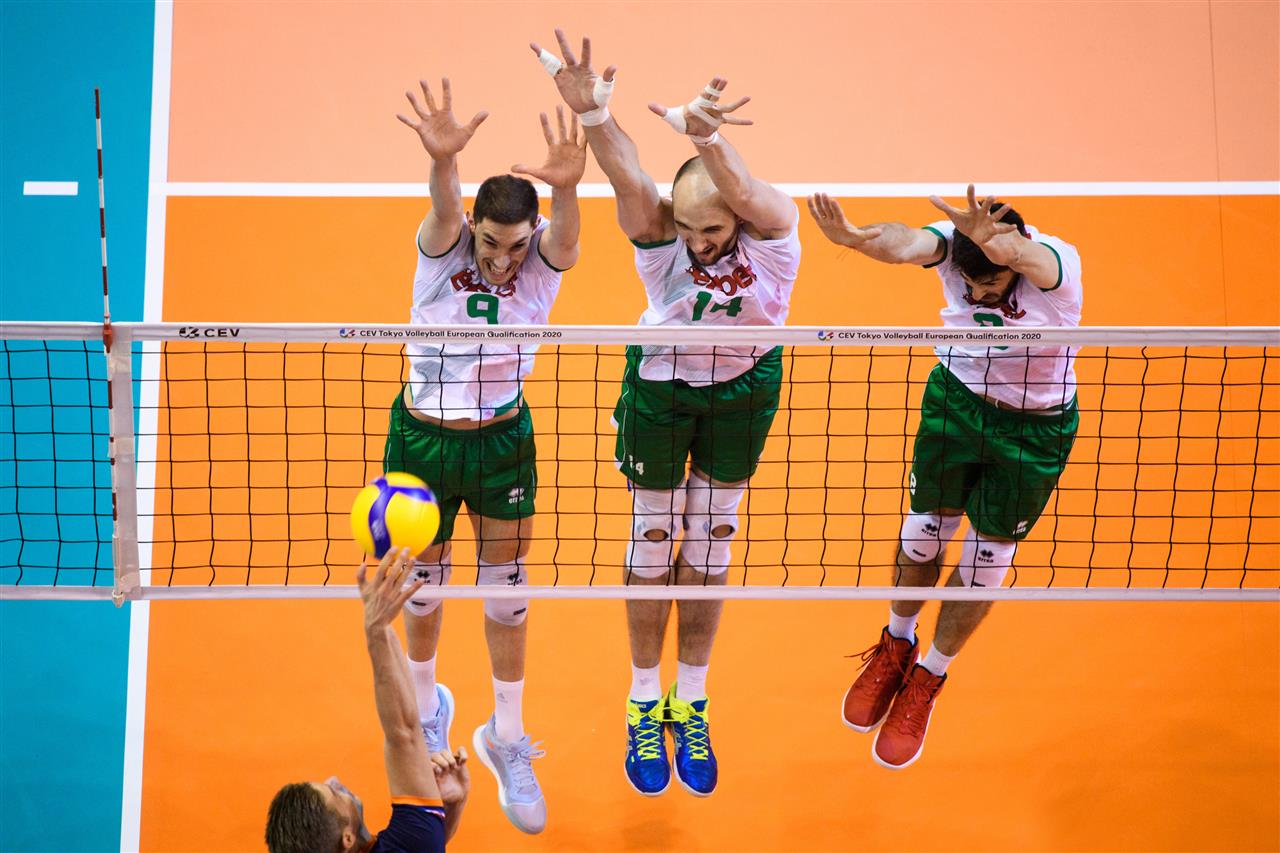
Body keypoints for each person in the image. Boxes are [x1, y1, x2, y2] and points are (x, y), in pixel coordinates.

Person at [531, 30, 801, 797]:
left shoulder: (773, 234)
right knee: (653, 537)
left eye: (711, 231)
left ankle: (694, 699)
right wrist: (593, 116)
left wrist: (706, 135)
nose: (699, 245)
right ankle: (644, 701)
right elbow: (627, 174)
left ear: (736, 220)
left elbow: (747, 190)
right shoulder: (662, 239)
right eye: (687, 230)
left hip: (745, 387)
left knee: (712, 537)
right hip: (661, 388)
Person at [808, 185, 1083, 769]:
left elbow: (1032, 260)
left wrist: (1005, 250)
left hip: (1034, 430)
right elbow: (907, 242)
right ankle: (896, 643)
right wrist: (857, 239)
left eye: (991, 284)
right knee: (924, 533)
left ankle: (929, 675)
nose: (978, 294)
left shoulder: (1056, 266)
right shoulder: (956, 252)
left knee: (986, 558)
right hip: (956, 404)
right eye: (970, 284)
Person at [385, 76, 586, 833]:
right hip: (420, 439)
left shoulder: (541, 260)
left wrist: (569, 189)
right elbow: (443, 208)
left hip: (503, 439)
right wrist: (443, 161)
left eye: (516, 243)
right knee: (422, 586)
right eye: (492, 242)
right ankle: (428, 709)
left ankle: (505, 734)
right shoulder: (444, 250)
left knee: (507, 590)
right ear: (475, 227)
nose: (503, 259)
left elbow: (566, 238)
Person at [265, 548, 471, 852]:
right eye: (334, 794)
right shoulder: (410, 841)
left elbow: (424, 845)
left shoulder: (405, 844)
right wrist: (376, 626)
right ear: (346, 839)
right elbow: (404, 733)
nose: (335, 780)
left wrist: (452, 805)